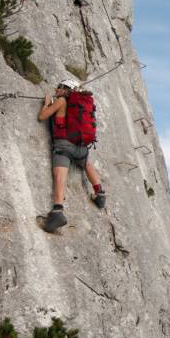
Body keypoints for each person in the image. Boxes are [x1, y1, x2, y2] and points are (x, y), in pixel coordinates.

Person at [38, 78, 106, 233]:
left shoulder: (61, 101)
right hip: (81, 147)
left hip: (64, 145)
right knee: (87, 164)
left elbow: (42, 116)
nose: (56, 89)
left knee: (60, 176)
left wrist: (47, 103)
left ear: (65, 89)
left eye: (59, 87)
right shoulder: (81, 105)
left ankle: (57, 211)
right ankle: (100, 193)